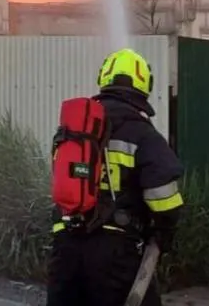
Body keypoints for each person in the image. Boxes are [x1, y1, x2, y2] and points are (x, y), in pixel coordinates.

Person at [46, 48, 185, 306]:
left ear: (104, 79)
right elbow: (164, 197)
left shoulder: (75, 130)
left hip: (65, 247)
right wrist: (164, 232)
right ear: (143, 85)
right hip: (115, 253)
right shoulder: (142, 133)